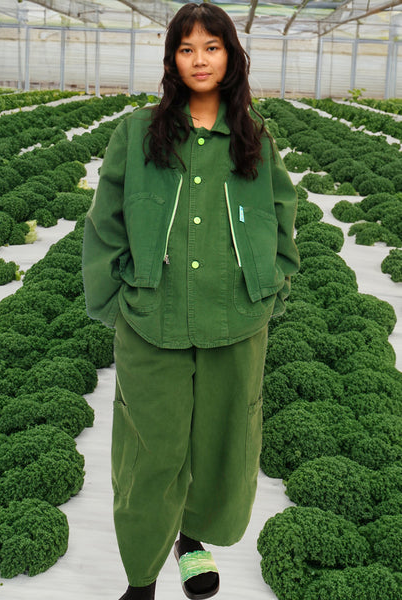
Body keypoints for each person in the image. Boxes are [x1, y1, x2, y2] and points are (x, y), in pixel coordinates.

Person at [82, 3, 299, 599]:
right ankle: (142, 576)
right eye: (186, 48)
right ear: (172, 60)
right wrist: (118, 296)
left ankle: (191, 539)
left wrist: (274, 284)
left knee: (223, 441)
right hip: (152, 317)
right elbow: (105, 222)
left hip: (236, 317)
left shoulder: (256, 139)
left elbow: (283, 220)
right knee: (150, 450)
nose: (199, 59)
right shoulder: (137, 131)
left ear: (231, 56)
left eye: (211, 46)